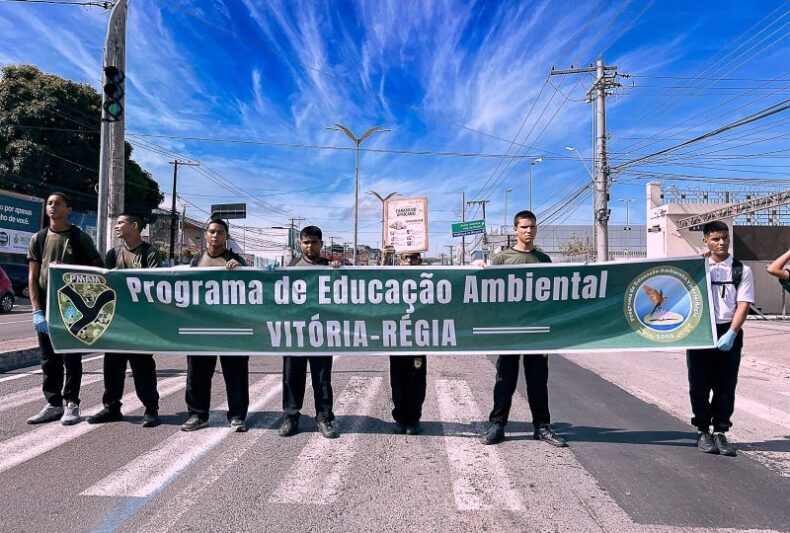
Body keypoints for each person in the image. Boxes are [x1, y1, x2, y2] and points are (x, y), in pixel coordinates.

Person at [480, 210, 568, 447]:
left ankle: (542, 426)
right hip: (509, 331)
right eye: (524, 227)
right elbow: (486, 289)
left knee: (538, 381)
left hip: (536, 332)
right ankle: (498, 424)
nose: (529, 231)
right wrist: (480, 268)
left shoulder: (543, 260)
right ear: (515, 230)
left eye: (532, 227)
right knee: (505, 380)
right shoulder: (502, 259)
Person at [26, 192, 104, 425]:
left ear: (68, 209)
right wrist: (36, 309)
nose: (52, 207)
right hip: (46, 308)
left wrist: (70, 269)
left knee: (71, 357)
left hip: (72, 308)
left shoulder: (80, 238)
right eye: (49, 203)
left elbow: (98, 271)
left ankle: (72, 403)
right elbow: (33, 276)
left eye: (58, 204)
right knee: (48, 359)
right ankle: (53, 403)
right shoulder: (38, 239)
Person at [88, 213, 162, 428]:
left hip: (140, 324)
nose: (117, 226)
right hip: (117, 321)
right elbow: (103, 282)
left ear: (135, 225)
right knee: (112, 365)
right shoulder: (113, 254)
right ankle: (111, 407)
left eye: (121, 223)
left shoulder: (150, 254)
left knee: (142, 367)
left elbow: (156, 286)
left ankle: (151, 409)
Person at [687, 220, 753, 457]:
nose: (722, 242)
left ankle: (720, 431)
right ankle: (702, 430)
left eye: (725, 237)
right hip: (701, 330)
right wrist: (698, 260)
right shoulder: (699, 267)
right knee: (699, 385)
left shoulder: (741, 270)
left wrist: (732, 333)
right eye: (715, 238)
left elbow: (743, 305)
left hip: (729, 329)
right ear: (706, 241)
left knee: (726, 386)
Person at [181, 219, 250, 432]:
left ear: (226, 236)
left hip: (232, 329)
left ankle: (238, 416)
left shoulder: (236, 261)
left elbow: (252, 291)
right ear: (206, 234)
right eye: (212, 231)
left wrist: (241, 272)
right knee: (197, 374)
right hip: (202, 328)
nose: (215, 235)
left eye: (220, 232)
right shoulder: (194, 263)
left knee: (236, 374)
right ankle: (197, 415)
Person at [278, 226, 340, 439]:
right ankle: (291, 417)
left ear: (321, 244)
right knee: (291, 376)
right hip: (295, 332)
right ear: (300, 244)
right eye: (306, 242)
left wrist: (338, 271)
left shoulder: (330, 266)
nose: (310, 246)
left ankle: (324, 418)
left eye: (314, 242)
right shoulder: (290, 268)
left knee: (322, 378)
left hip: (322, 332)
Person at [383, 248, 427, 436]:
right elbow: (376, 281)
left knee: (416, 380)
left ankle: (414, 419)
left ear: (420, 260)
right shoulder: (393, 279)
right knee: (398, 380)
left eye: (414, 257)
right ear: (399, 260)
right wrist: (385, 258)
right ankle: (400, 419)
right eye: (405, 257)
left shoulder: (429, 280)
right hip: (397, 340)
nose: (409, 261)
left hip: (419, 342)